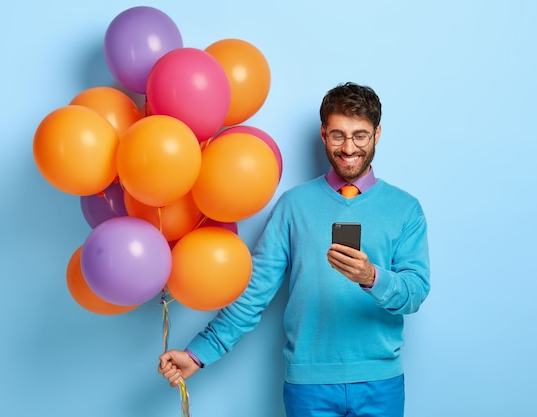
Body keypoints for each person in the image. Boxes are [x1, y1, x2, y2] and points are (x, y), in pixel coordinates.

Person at [158, 82, 430, 417]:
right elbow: (252, 292)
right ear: (323, 133)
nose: (349, 147)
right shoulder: (293, 206)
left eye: (360, 135)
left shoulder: (405, 209)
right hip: (308, 385)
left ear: (377, 134)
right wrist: (200, 353)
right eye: (338, 135)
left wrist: (371, 276)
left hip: (380, 382)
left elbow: (415, 292)